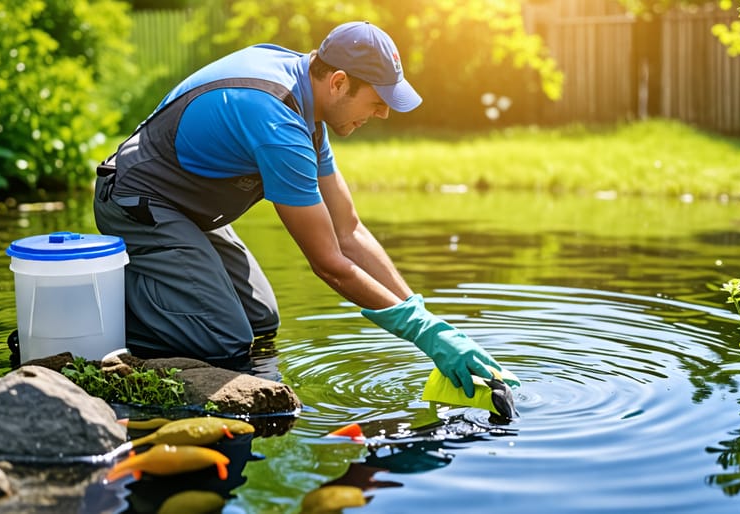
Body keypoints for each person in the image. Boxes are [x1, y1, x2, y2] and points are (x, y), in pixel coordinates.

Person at [93, 21, 517, 397]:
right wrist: (424, 336)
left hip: (189, 209)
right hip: (137, 200)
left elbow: (348, 229)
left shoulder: (305, 100)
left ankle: (157, 296)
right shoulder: (277, 121)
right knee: (222, 337)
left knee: (260, 321)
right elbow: (330, 262)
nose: (384, 112)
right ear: (337, 82)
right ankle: (99, 309)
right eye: (377, 99)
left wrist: (428, 318)